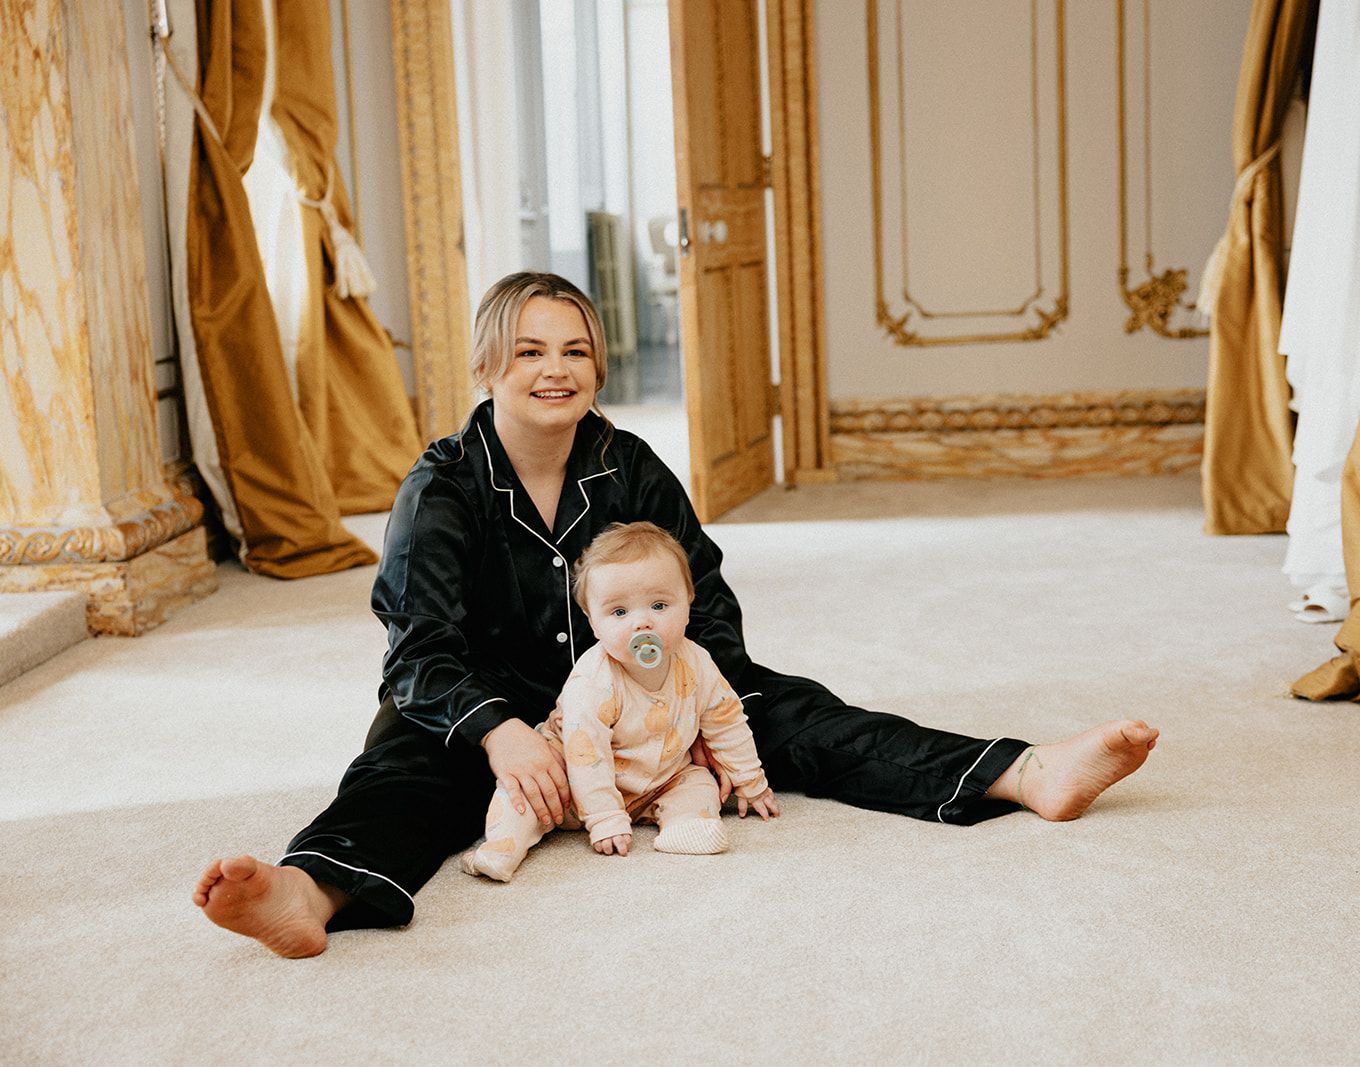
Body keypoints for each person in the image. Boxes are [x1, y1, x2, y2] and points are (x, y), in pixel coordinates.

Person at [193, 271, 1160, 958]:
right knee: (405, 766)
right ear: (489, 364)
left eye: (575, 349)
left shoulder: (631, 464)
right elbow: (419, 648)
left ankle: (1025, 773)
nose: (555, 368)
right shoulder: (439, 486)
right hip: (492, 707)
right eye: (529, 350)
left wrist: (698, 702)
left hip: (649, 685)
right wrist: (499, 734)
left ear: (599, 366)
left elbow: (707, 593)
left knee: (794, 713)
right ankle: (306, 890)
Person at [460, 520, 778, 881]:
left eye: (659, 605)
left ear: (689, 601)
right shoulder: (593, 681)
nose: (642, 623)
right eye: (619, 612)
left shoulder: (698, 663)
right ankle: (501, 847)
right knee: (522, 795)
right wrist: (604, 818)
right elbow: (586, 755)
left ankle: (685, 824)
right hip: (574, 783)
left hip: (661, 776)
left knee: (698, 783)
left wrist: (751, 780)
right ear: (593, 622)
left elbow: (726, 720)